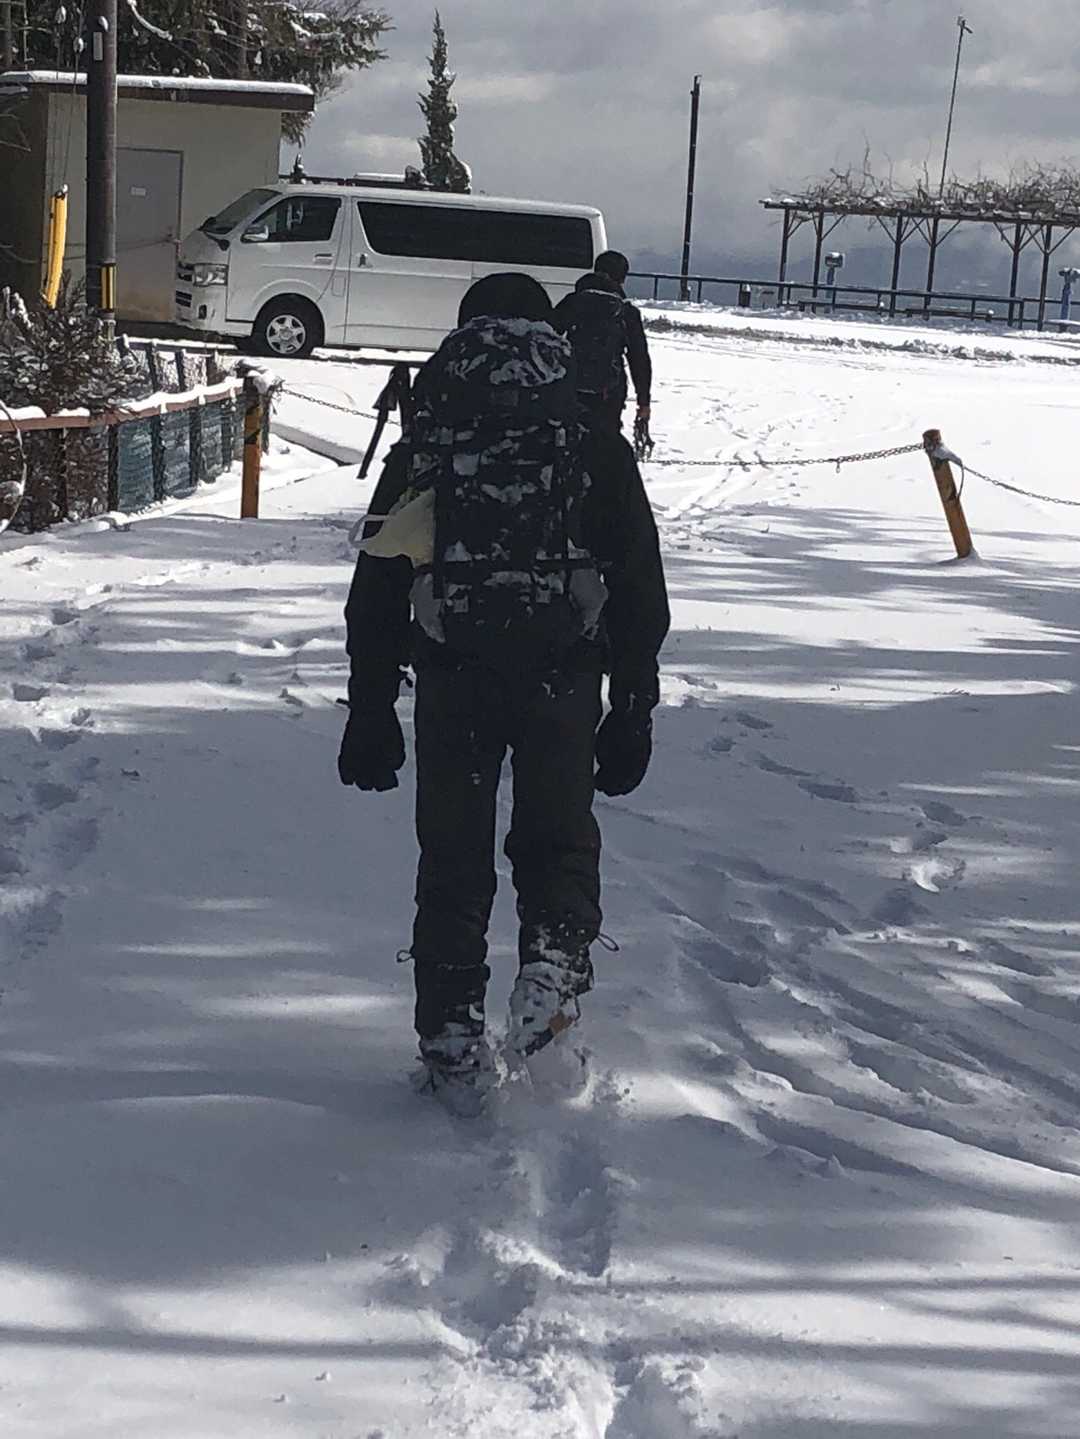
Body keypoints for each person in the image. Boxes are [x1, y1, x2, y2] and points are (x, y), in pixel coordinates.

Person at [338, 271, 669, 1109]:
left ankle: (452, 1040)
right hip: (564, 674)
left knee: (453, 855)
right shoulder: (587, 438)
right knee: (558, 840)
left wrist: (372, 706)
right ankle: (550, 980)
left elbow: (377, 584)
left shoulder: (431, 440)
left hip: (453, 674)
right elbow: (640, 586)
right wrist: (632, 706)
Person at [553, 249, 653, 439]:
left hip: (572, 383)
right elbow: (639, 358)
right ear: (622, 279)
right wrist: (643, 402)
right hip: (609, 390)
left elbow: (549, 334)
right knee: (606, 440)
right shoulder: (626, 311)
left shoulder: (573, 302)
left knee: (570, 436)